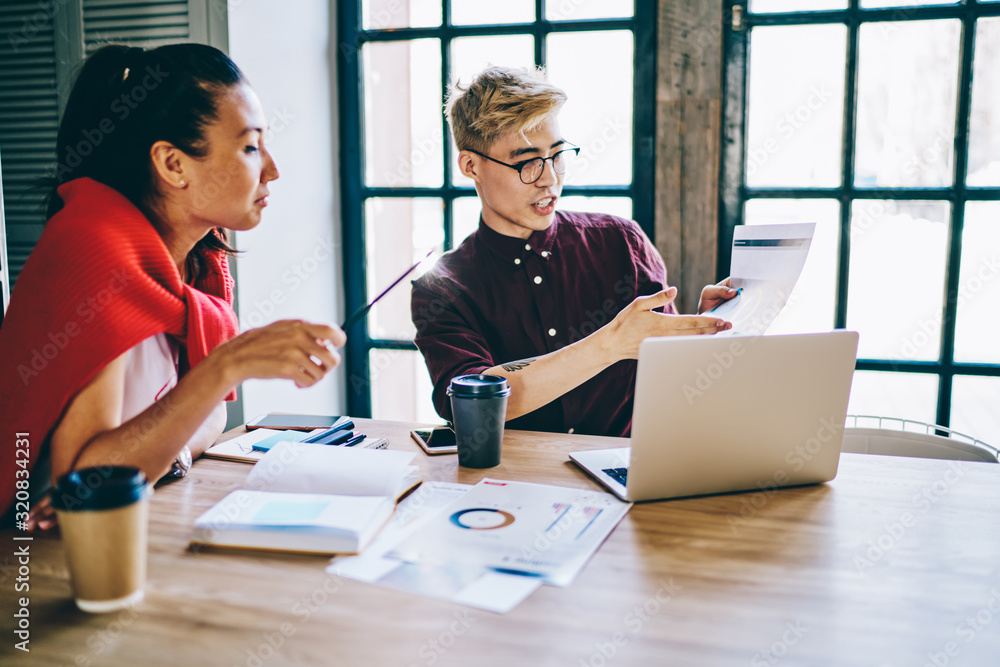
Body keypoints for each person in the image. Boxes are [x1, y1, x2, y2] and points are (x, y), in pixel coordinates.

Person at [0, 44, 344, 525]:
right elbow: (82, 482)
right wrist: (226, 365)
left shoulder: (201, 257)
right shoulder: (94, 254)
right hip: (30, 545)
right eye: (250, 147)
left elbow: (210, 414)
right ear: (173, 164)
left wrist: (169, 456)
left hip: (127, 519)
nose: (272, 169)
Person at [411, 66, 736, 438]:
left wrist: (703, 330)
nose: (550, 179)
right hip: (513, 473)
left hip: (624, 468)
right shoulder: (441, 289)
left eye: (557, 155)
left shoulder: (621, 242)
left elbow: (671, 380)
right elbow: (472, 404)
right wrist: (610, 344)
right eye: (527, 162)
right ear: (471, 166)